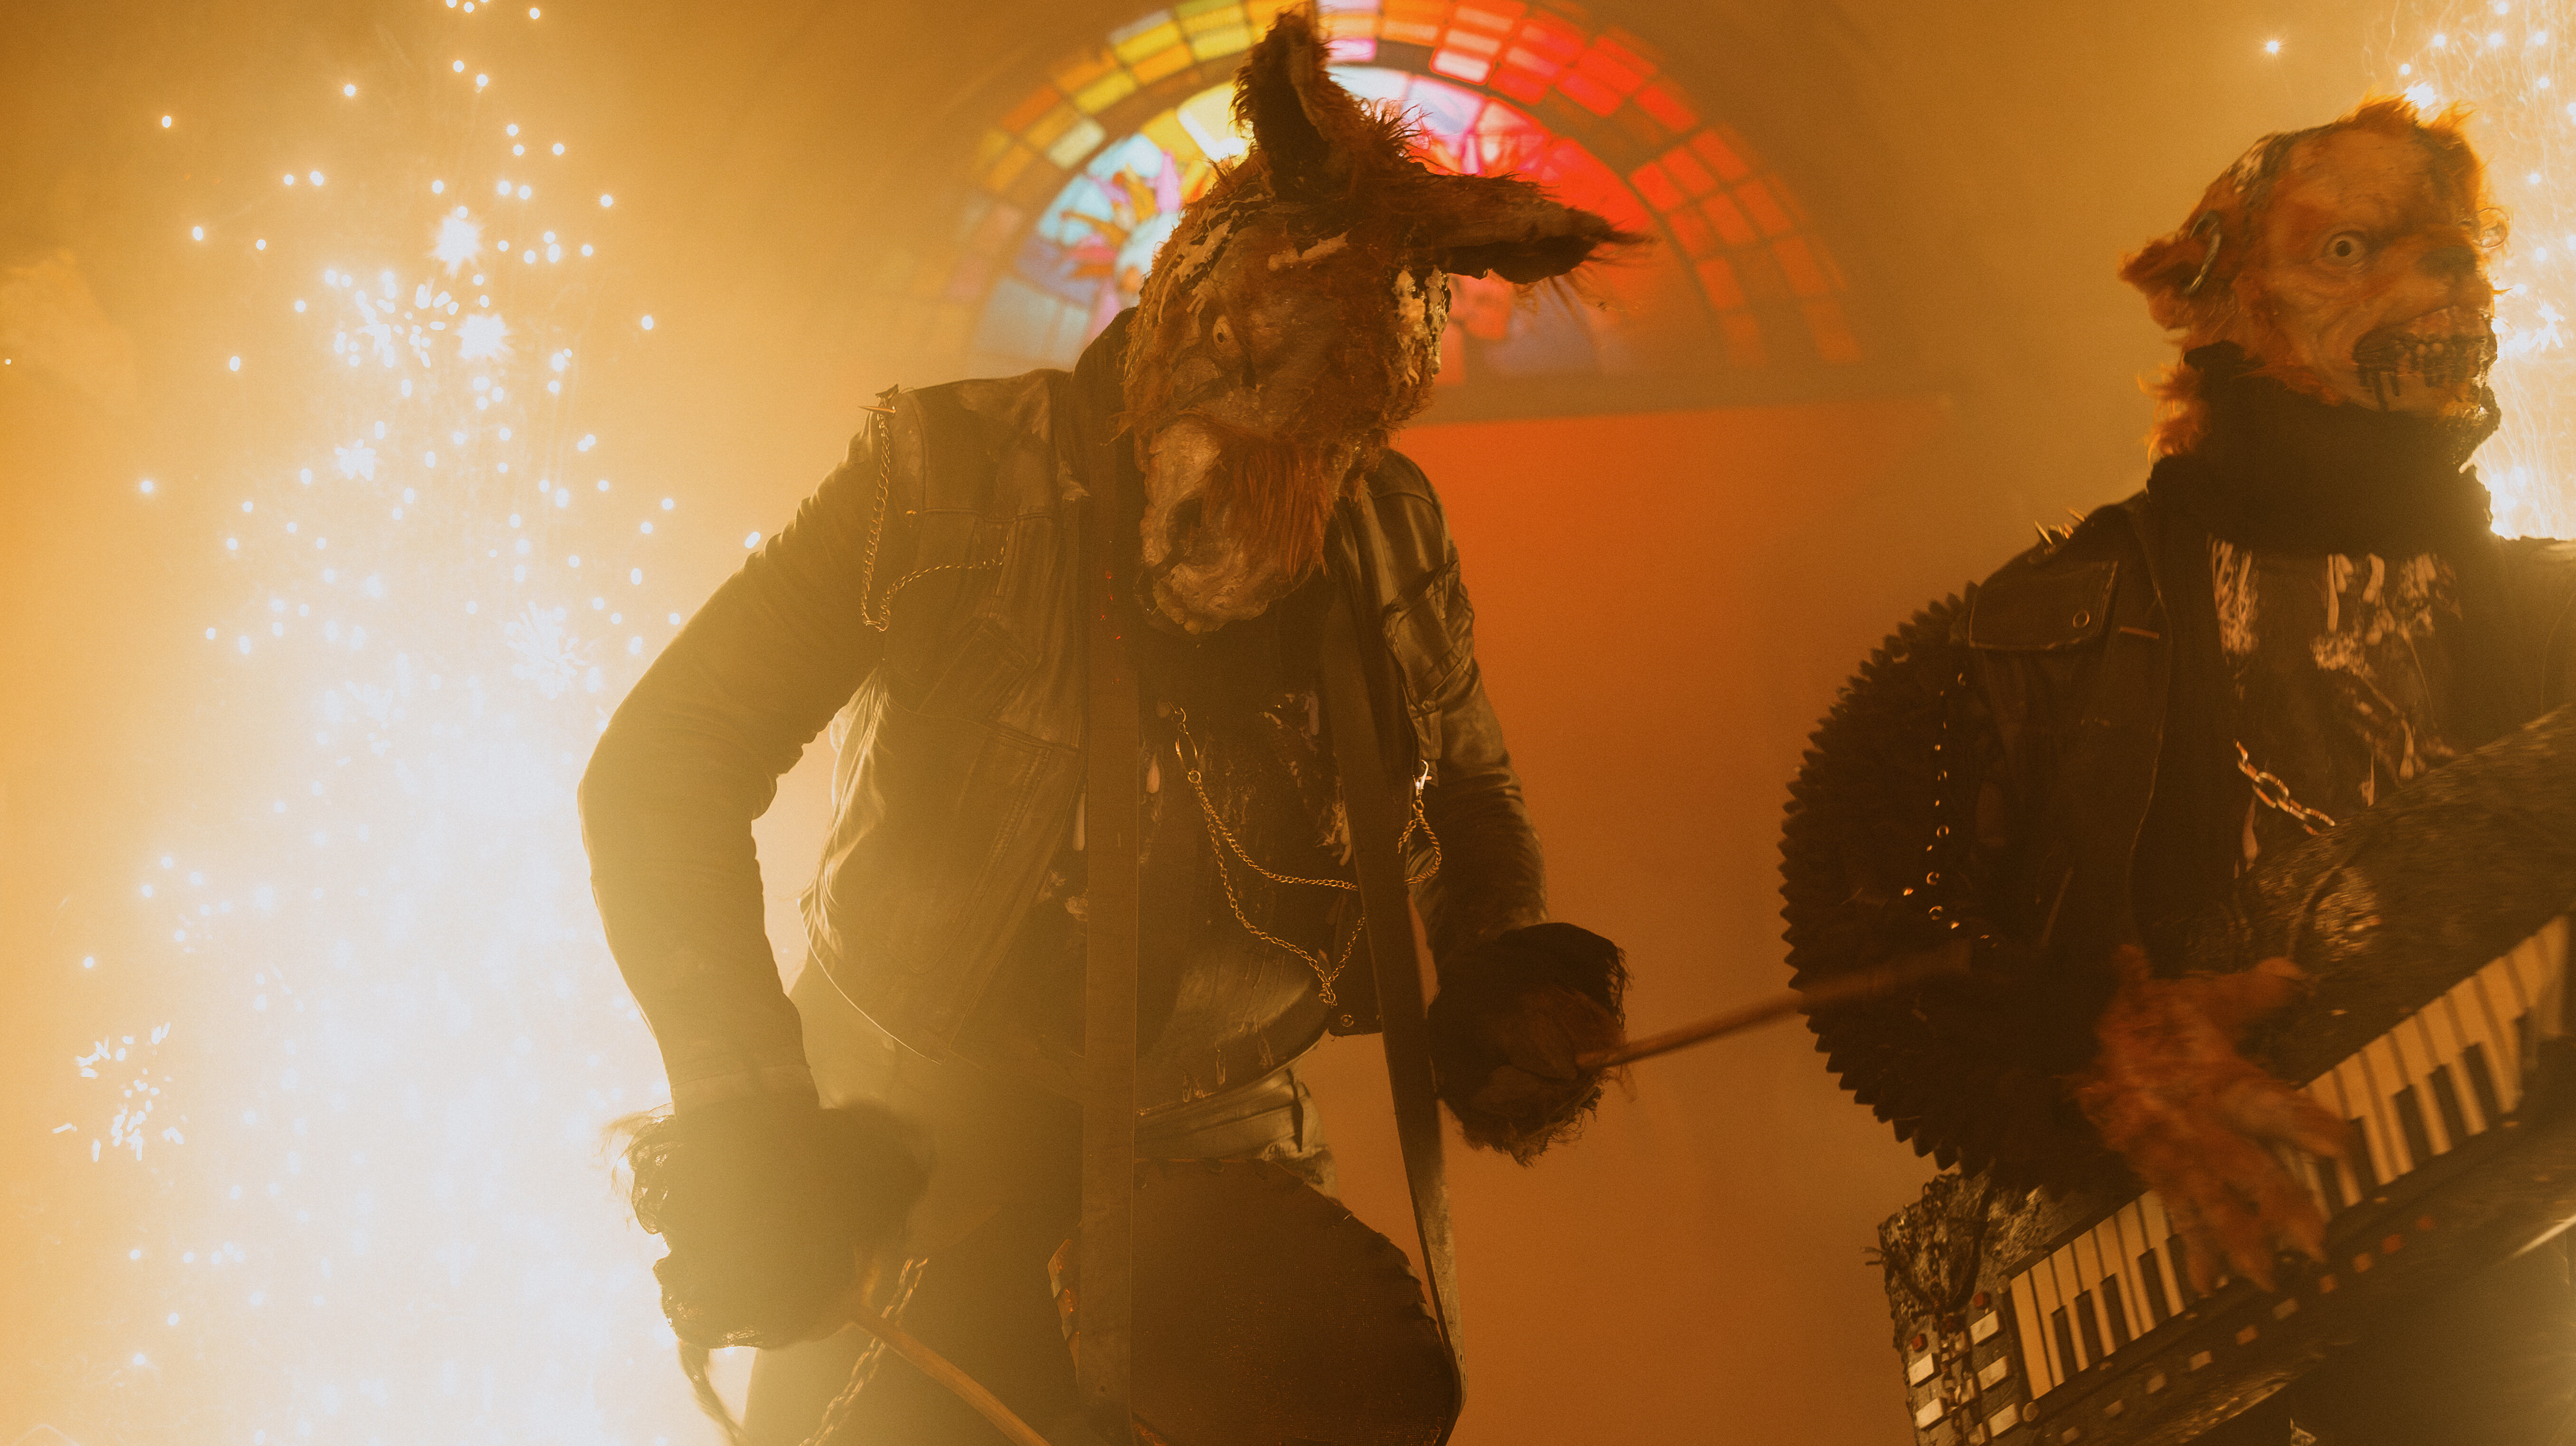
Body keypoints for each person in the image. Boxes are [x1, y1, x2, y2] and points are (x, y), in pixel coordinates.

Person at [580, 10, 1630, 1442]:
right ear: (1189, 341)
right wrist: (753, 1114)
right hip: (910, 1137)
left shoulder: (1388, 531)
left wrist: (1499, 956)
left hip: (1222, 1148)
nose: (1273, 508)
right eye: (1251, 433)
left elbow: (1470, 790)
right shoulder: (942, 476)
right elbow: (668, 762)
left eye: (1324, 457)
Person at [1783, 96, 2576, 1444]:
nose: (2435, 273)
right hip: (2164, 1279)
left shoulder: (2551, 613)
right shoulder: (2025, 637)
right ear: (2211, 305)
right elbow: (1865, 946)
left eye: (2453, 244)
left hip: (2493, 1279)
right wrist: (2090, 1053)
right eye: (2346, 250)